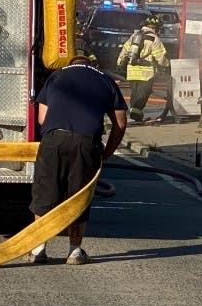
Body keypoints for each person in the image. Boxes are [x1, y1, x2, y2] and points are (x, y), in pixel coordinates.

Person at [27, 50, 127, 266]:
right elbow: (120, 123)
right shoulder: (105, 80)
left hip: (54, 140)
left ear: (72, 62)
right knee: (78, 196)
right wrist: (106, 153)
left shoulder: (57, 76)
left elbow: (43, 119)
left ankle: (38, 249)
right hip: (86, 142)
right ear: (91, 63)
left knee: (46, 191)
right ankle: (74, 251)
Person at [116, 15, 170, 123]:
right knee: (143, 95)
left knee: (135, 94)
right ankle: (136, 116)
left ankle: (135, 114)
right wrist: (168, 65)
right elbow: (160, 58)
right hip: (146, 74)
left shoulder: (134, 36)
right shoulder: (154, 39)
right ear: (156, 27)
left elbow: (124, 51)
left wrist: (119, 64)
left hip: (132, 71)